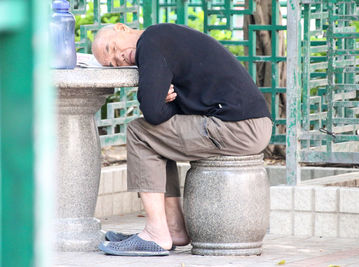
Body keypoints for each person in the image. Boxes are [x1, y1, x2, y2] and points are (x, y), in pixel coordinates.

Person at [92, 22, 272, 256]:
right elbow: (164, 111)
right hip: (249, 124)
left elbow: (154, 113)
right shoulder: (164, 37)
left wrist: (158, 100)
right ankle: (174, 228)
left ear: (122, 28)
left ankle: (157, 232)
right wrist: (160, 100)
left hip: (238, 127)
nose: (118, 58)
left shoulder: (151, 40)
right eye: (113, 63)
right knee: (156, 136)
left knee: (140, 133)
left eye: (112, 48)